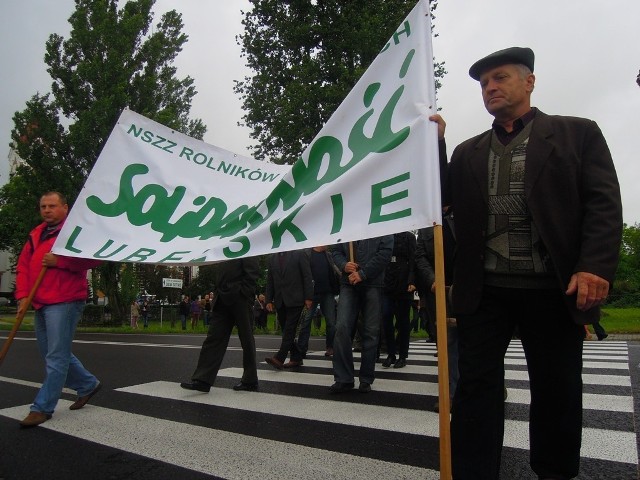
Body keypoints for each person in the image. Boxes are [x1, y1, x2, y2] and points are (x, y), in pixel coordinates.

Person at [437, 47, 623, 479]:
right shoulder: (467, 151)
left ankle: (554, 472)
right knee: (475, 388)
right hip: (484, 290)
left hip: (552, 286)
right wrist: (437, 141)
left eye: (500, 78)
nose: (491, 88)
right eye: (484, 84)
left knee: (556, 388)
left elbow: (603, 203)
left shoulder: (577, 134)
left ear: (530, 82)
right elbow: (439, 199)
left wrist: (594, 264)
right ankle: (472, 472)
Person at [15, 191, 102, 428]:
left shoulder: (73, 232)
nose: (47, 210)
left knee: (56, 355)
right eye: (43, 206)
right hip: (39, 300)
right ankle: (87, 385)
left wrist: (60, 262)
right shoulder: (36, 234)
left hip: (64, 301)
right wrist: (22, 296)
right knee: (52, 353)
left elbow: (93, 259)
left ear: (65, 208)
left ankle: (42, 408)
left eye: (52, 205)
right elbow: (23, 267)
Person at [180, 257, 260, 393]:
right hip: (221, 298)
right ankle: (202, 379)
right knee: (214, 338)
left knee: (246, 339)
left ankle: (250, 380)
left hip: (240, 297)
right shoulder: (224, 242)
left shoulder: (246, 240)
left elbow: (252, 270)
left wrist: (244, 292)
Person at [329, 236, 393, 393]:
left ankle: (366, 378)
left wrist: (363, 274)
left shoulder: (381, 221)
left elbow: (385, 252)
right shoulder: (345, 221)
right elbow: (335, 251)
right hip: (348, 282)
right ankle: (343, 378)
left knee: (371, 332)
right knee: (342, 327)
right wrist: (344, 265)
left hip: (373, 283)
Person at [264, 250, 313, 369]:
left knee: (289, 330)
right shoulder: (272, 258)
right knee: (286, 329)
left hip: (296, 299)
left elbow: (307, 275)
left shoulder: (299, 253)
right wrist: (268, 300)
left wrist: (308, 297)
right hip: (280, 300)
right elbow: (270, 280)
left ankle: (279, 358)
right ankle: (296, 357)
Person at [380, 232, 417, 369]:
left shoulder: (409, 237)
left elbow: (414, 259)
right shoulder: (385, 236)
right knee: (386, 317)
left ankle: (402, 355)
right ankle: (391, 353)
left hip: (404, 281)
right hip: (387, 280)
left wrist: (412, 281)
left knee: (403, 321)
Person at [296, 246, 340, 358]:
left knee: (331, 322)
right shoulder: (307, 254)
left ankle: (330, 346)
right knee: (306, 322)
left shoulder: (328, 255)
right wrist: (306, 295)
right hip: (311, 294)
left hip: (327, 293)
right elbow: (304, 275)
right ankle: (301, 348)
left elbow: (335, 271)